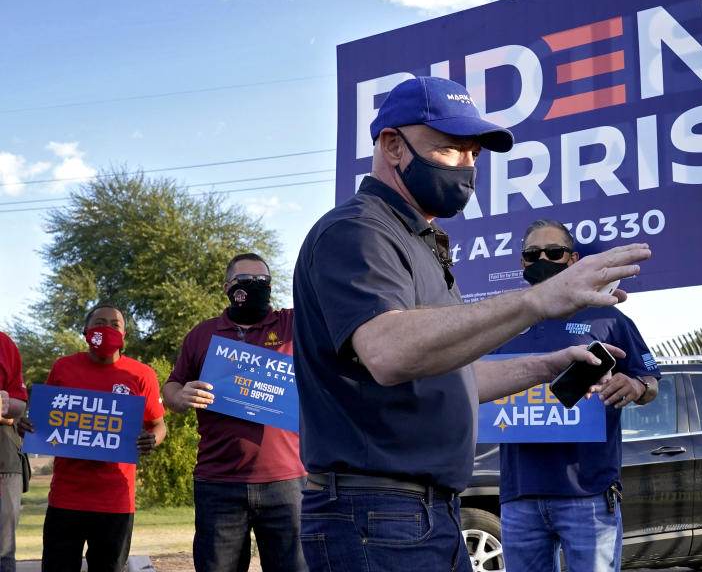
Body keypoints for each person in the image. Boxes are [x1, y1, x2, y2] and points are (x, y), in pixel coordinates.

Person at [293, 76, 652, 572]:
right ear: (393, 146)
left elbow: (454, 377)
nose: (466, 167)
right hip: (375, 513)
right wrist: (539, 300)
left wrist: (548, 365)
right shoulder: (357, 231)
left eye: (474, 155)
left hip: (424, 512)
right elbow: (388, 350)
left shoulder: (421, 242)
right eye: (449, 151)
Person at [493, 219, 661, 572]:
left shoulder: (609, 318)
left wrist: (636, 386)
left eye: (553, 252)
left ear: (573, 260)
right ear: (522, 263)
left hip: (589, 492)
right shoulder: (501, 321)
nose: (543, 259)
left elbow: (650, 380)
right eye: (532, 253)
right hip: (518, 495)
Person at [163, 253, 306, 572]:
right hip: (218, 484)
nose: (256, 287)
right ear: (228, 287)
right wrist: (181, 395)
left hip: (287, 482)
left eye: (263, 282)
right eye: (247, 282)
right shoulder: (202, 334)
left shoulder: (293, 324)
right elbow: (171, 387)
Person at [40, 304, 165, 572]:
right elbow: (44, 422)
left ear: (124, 335)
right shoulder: (63, 367)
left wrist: (152, 439)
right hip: (66, 496)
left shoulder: (141, 374)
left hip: (116, 500)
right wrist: (29, 426)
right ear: (86, 331)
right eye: (99, 323)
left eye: (114, 325)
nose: (106, 329)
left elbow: (158, 425)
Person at [0, 331, 27, 572]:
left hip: (4, 461)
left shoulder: (3, 343)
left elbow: (19, 402)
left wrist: (7, 403)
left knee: (3, 550)